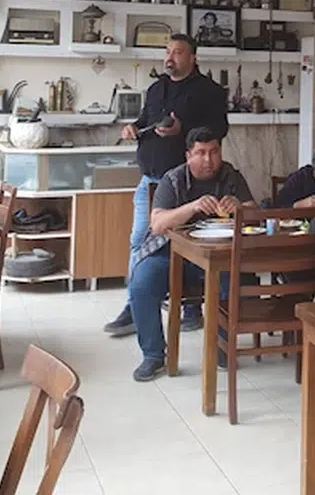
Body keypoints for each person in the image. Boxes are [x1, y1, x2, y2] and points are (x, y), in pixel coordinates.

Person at [104, 34, 229, 338]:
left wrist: (182, 130)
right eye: (168, 52)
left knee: (193, 242)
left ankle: (191, 308)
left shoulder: (209, 91)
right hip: (151, 180)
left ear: (193, 58)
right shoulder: (156, 88)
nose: (170, 58)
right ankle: (135, 306)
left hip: (189, 184)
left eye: (178, 52)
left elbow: (218, 130)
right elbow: (146, 120)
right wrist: (134, 128)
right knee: (140, 241)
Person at [128, 128, 255, 382]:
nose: (208, 160)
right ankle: (153, 355)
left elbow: (255, 211)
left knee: (235, 278)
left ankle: (222, 345)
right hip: (171, 254)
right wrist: (193, 206)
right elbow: (157, 223)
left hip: (219, 256)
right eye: (201, 153)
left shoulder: (231, 176)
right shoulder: (173, 179)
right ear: (188, 156)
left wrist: (240, 208)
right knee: (141, 283)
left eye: (214, 152)